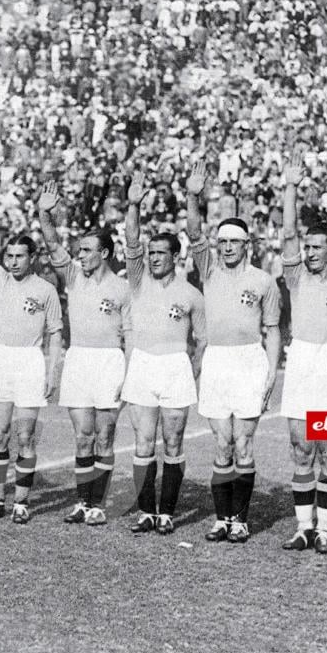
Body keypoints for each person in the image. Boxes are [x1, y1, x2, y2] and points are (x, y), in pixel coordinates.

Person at [185, 160, 282, 543]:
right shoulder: (208, 270)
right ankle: (221, 517)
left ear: (247, 245)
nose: (226, 248)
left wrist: (271, 373)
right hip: (217, 361)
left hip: (249, 361)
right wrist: (194, 195)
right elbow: (193, 232)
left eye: (234, 243)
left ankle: (240, 519)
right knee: (221, 442)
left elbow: (272, 331)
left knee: (244, 442)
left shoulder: (263, 281)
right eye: (222, 241)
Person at [0, 185, 63, 525]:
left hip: (30, 361)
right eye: (9, 256)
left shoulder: (46, 290)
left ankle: (21, 501)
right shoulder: (0, 278)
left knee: (25, 435)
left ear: (32, 258)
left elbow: (54, 334)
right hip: (2, 358)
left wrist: (52, 372)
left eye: (20, 256)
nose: (13, 262)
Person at [37, 179, 131, 526]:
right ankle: (81, 501)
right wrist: (45, 213)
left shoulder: (123, 288)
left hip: (110, 361)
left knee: (105, 435)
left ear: (104, 253)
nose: (80, 255)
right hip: (78, 360)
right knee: (82, 435)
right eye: (79, 250)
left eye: (87, 250)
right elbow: (51, 243)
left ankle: (98, 504)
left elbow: (131, 335)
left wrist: (130, 371)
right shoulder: (73, 278)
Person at [121, 174, 205, 534]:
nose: (153, 258)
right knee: (142, 442)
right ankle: (146, 511)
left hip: (175, 366)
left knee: (173, 441)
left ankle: (167, 512)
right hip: (142, 363)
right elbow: (130, 239)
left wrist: (192, 372)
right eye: (150, 253)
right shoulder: (138, 281)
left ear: (176, 256)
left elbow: (201, 341)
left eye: (160, 253)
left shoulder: (191, 295)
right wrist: (134, 205)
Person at [278, 153, 327, 554]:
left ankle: (324, 528)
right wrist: (290, 187)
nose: (308, 252)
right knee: (300, 446)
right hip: (302, 359)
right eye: (306, 247)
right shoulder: (296, 278)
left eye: (317, 247)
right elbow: (288, 233)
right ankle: (303, 527)